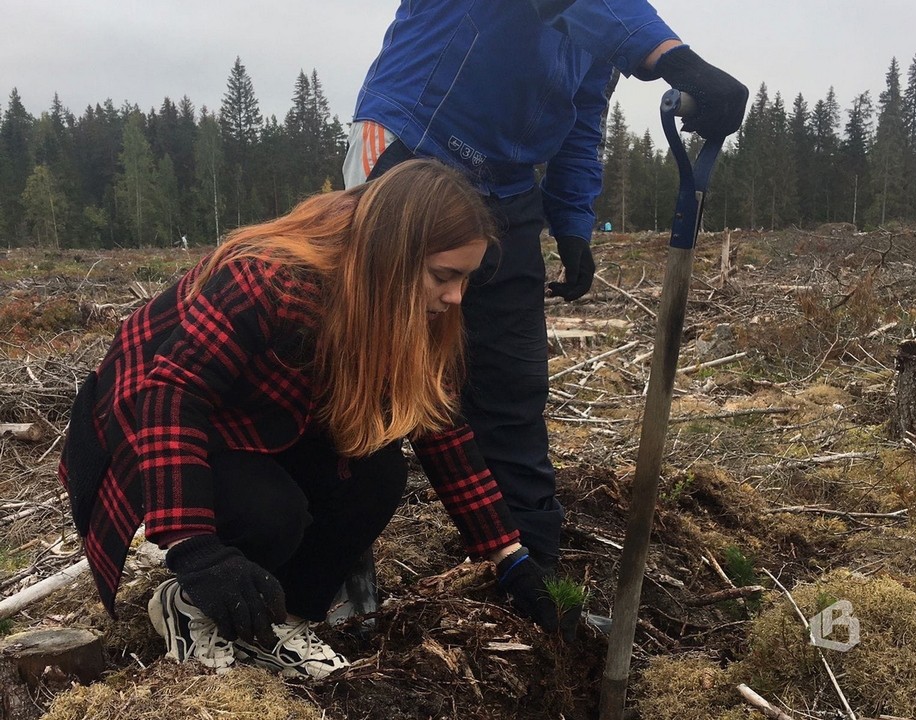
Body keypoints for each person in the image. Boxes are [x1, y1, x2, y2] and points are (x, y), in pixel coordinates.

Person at [58, 159, 569, 678]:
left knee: (377, 472)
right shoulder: (272, 277)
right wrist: (195, 548)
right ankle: (191, 606)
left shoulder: (403, 306)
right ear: (394, 256)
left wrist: (508, 555)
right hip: (150, 421)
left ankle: (282, 622)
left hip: (260, 423)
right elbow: (172, 392)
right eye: (444, 276)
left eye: (465, 279)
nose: (456, 295)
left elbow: (439, 427)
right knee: (271, 512)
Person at [342, 2, 749, 579]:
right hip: (412, 147)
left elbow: (581, 114)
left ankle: (530, 572)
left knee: (513, 385)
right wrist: (671, 57)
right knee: (374, 367)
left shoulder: (601, 20)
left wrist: (572, 220)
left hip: (507, 188)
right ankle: (333, 561)